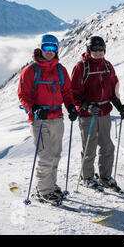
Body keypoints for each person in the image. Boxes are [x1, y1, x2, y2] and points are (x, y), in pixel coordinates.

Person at [18, 34, 78, 204]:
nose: (50, 52)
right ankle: (43, 190)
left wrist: (71, 107)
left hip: (57, 117)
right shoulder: (31, 70)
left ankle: (50, 184)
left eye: (53, 48)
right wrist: (34, 108)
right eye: (46, 48)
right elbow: (22, 94)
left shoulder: (61, 70)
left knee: (56, 154)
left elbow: (67, 92)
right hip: (39, 119)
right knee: (45, 156)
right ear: (40, 48)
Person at [71, 36, 124, 192]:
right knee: (90, 147)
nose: (98, 52)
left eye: (101, 49)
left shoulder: (108, 66)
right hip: (88, 115)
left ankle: (105, 177)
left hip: (104, 112)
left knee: (107, 146)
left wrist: (118, 104)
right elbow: (73, 93)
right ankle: (87, 177)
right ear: (89, 50)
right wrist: (87, 106)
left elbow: (113, 87)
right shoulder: (81, 67)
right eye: (94, 50)